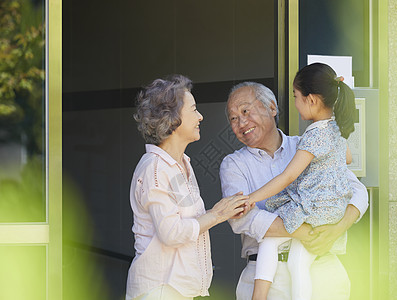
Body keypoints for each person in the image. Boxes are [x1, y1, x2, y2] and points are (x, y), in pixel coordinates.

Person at [219, 79, 369, 300]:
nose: (241, 122)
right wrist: (307, 232)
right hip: (266, 275)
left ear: (271, 108)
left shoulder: (308, 144)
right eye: (233, 118)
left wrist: (337, 228)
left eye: (246, 111)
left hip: (322, 271)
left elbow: (357, 191)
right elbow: (241, 218)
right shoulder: (233, 164)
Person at [126, 74, 250, 300]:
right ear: (171, 117)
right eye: (194, 110)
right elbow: (171, 233)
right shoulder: (155, 169)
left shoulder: (181, 164)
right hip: (160, 291)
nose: (200, 116)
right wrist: (217, 214)